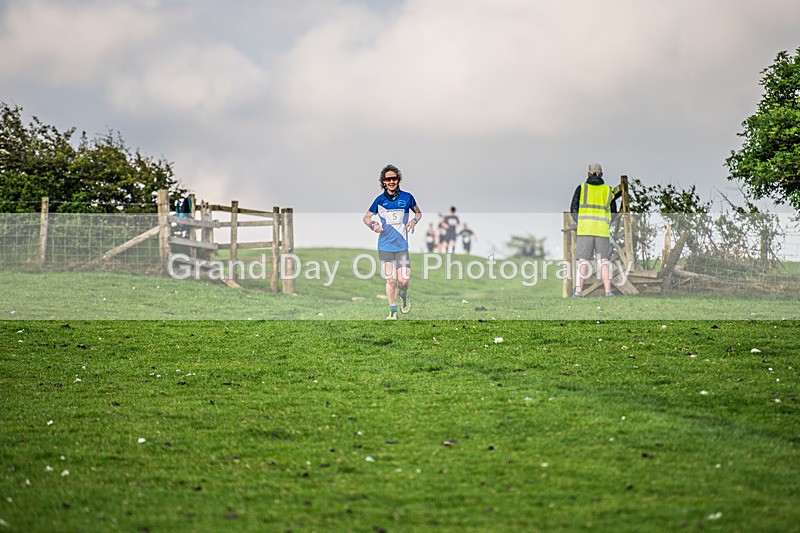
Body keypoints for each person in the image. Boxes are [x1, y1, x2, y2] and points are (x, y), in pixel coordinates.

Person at [363, 164, 422, 319]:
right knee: (391, 280)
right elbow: (366, 217)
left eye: (394, 178)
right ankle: (393, 311)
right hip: (385, 246)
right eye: (388, 179)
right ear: (383, 182)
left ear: (398, 180)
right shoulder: (380, 200)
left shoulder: (407, 197)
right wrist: (373, 225)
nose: (391, 182)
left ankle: (403, 295)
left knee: (403, 281)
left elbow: (418, 213)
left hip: (401, 247)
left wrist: (413, 222)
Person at [569, 163, 620, 298]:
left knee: (583, 261)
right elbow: (614, 212)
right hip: (602, 230)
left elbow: (573, 208)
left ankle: (578, 292)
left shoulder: (581, 188)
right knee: (604, 261)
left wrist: (580, 222)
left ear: (588, 174)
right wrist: (607, 221)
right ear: (601, 174)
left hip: (585, 229)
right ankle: (608, 292)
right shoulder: (607, 190)